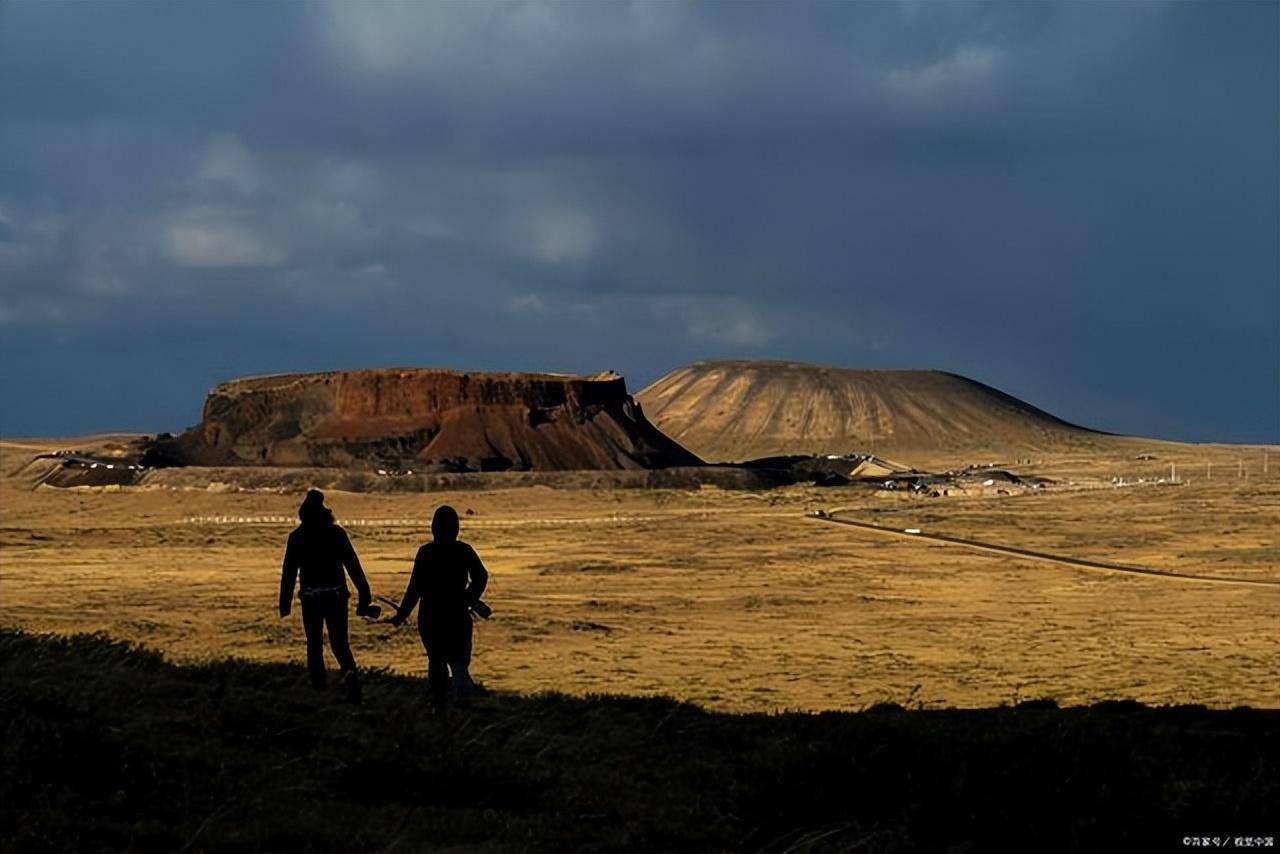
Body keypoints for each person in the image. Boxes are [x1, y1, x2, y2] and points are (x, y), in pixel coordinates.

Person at [279, 489, 374, 701]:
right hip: (336, 595)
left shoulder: (296, 537)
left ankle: (319, 686)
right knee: (340, 642)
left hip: (311, 598)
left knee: (314, 643)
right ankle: (350, 676)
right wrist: (364, 595)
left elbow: (289, 572)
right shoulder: (336, 534)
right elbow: (353, 565)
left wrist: (284, 602)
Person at [391, 505, 489, 708]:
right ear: (456, 529)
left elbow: (414, 588)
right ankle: (462, 700)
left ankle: (439, 703)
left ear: (434, 528)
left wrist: (402, 614)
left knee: (436, 660)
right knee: (459, 662)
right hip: (457, 616)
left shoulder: (426, 553)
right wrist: (469, 598)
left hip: (431, 616)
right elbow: (481, 576)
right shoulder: (464, 550)